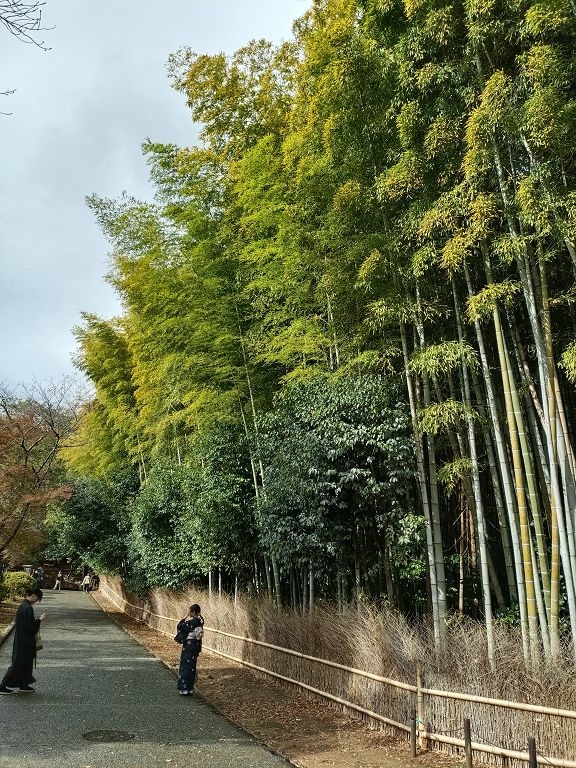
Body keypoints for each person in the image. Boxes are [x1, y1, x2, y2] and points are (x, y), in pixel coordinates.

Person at [0, 587, 47, 694]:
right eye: (37, 598)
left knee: (26, 663)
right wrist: (40, 619)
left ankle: (23, 684)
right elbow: (31, 628)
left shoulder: (23, 606)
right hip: (24, 641)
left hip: (22, 639)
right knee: (18, 663)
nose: (36, 601)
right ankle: (2, 685)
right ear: (33, 595)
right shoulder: (27, 608)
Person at [176, 603, 204, 696]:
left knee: (185, 666)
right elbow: (199, 636)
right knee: (192, 666)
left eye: (190, 611)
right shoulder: (199, 622)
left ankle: (184, 688)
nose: (189, 613)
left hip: (188, 645)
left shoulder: (190, 622)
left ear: (193, 612)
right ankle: (190, 688)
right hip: (195, 645)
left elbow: (180, 626)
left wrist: (185, 617)